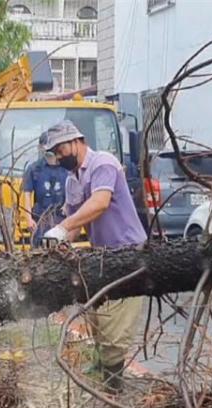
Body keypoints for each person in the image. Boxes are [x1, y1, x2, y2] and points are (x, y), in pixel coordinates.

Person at [41, 120, 148, 392]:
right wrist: (61, 243)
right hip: (101, 254)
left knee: (115, 323)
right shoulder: (72, 180)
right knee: (97, 316)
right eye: (54, 152)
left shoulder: (103, 164)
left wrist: (62, 228)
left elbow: (99, 203)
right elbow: (75, 223)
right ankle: (101, 367)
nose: (59, 156)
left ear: (77, 141)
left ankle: (114, 385)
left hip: (128, 252)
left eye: (61, 149)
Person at [22, 133, 68, 247]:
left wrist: (67, 206)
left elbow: (74, 189)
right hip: (40, 217)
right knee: (39, 249)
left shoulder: (66, 168)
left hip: (60, 217)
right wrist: (28, 218)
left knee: (62, 248)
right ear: (40, 148)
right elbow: (27, 193)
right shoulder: (34, 169)